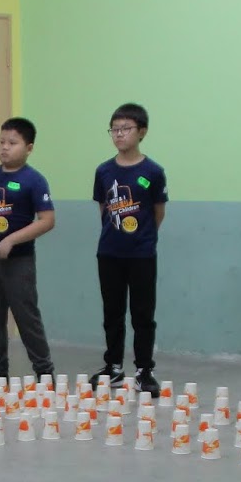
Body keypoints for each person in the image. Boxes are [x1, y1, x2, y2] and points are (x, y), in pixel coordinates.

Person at [0, 118, 55, 390]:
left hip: (19, 262)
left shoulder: (34, 180)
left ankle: (45, 373)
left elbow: (47, 220)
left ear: (29, 148)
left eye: (12, 143)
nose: (4, 147)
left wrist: (12, 240)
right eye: (2, 142)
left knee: (26, 316)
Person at [93, 103, 168, 396]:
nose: (119, 134)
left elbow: (158, 212)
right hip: (109, 253)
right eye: (114, 129)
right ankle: (113, 367)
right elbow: (104, 209)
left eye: (125, 129)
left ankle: (144, 370)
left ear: (142, 132)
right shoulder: (104, 171)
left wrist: (144, 238)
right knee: (112, 312)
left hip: (142, 254)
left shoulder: (153, 171)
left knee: (142, 314)